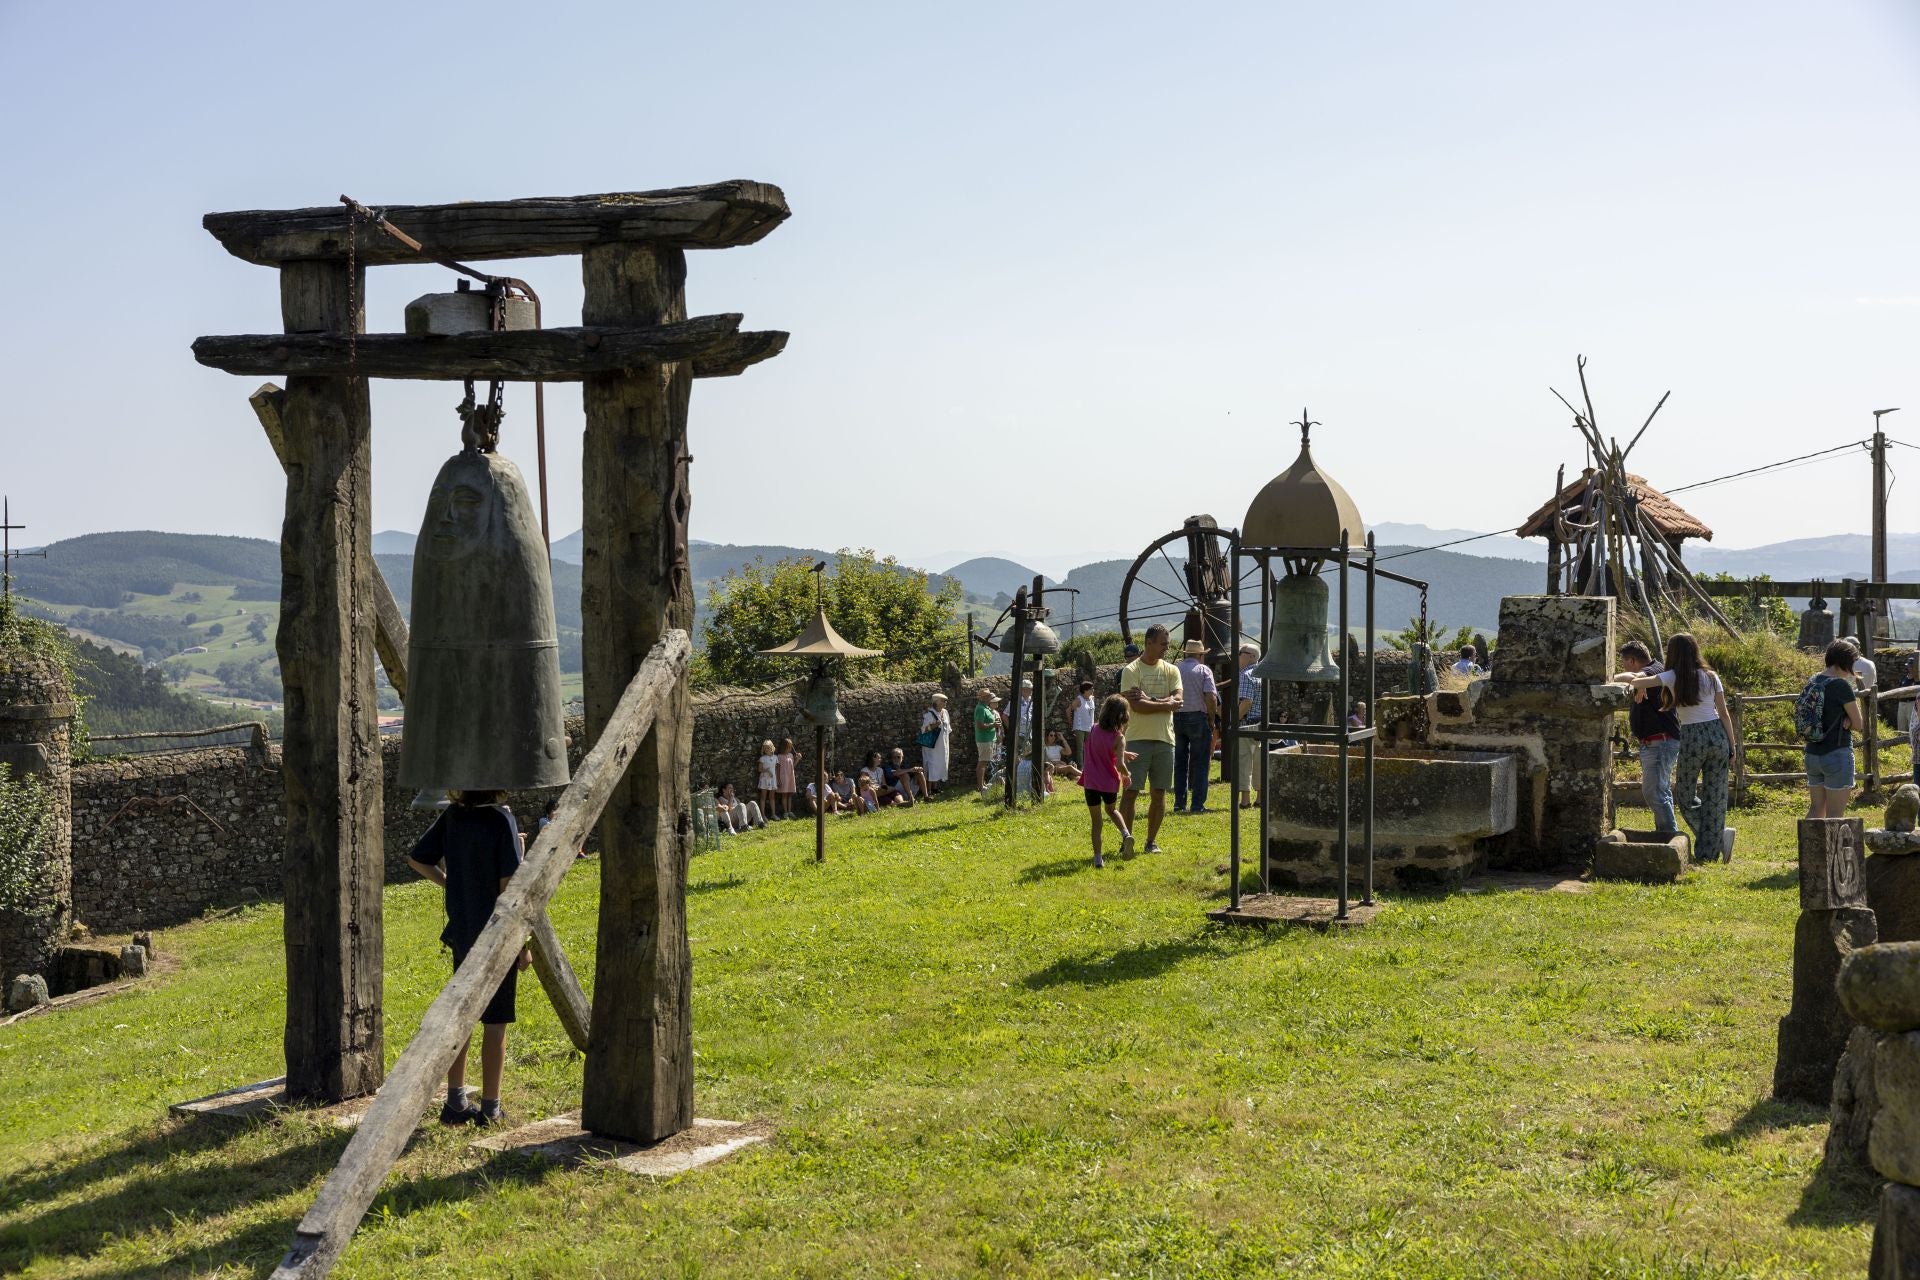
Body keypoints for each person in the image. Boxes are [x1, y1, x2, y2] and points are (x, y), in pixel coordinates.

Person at [406, 789, 531, 1127]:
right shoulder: (502, 820)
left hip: (462, 933)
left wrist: (451, 884)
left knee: (462, 1019)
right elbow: (508, 888)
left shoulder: (453, 817)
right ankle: (491, 1108)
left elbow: (418, 860)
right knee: (495, 1023)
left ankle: (455, 1102)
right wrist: (521, 943)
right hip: (495, 935)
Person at [1617, 632, 1732, 861]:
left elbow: (1634, 680)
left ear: (1673, 653)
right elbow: (1725, 714)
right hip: (1717, 734)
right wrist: (1733, 746)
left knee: (1685, 796)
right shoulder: (1711, 675)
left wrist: (1632, 682)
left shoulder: (1672, 676)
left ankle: (1714, 839)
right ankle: (1714, 842)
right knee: (1716, 794)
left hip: (1692, 736)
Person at [1119, 623, 1183, 854]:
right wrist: (1164, 702)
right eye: (1163, 643)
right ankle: (1127, 840)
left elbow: (1178, 702)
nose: (1167, 647)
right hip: (1136, 739)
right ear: (1149, 643)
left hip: (1165, 739)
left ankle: (1150, 841)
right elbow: (1136, 706)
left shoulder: (1172, 670)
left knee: (1159, 792)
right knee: (1130, 792)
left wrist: (1153, 700)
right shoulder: (1131, 670)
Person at [1613, 640, 1680, 835]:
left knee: (1653, 792)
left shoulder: (1654, 669)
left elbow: (1632, 677)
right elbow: (1636, 677)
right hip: (1657, 742)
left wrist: (1620, 678)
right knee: (1660, 790)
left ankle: (1668, 836)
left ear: (1632, 660)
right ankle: (1666, 833)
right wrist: (1637, 681)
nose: (1623, 666)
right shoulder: (1654, 670)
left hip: (1660, 741)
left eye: (1624, 662)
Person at [1802, 638, 1866, 819]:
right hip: (1836, 754)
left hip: (1812, 753)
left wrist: (1844, 716)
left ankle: (1810, 847)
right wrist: (1847, 718)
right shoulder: (1840, 685)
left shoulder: (1813, 680)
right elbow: (1859, 724)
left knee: (1816, 810)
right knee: (1834, 815)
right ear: (1846, 662)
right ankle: (1832, 849)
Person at [1080, 694, 1136, 868]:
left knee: (1096, 822)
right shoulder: (1119, 738)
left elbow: (1098, 747)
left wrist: (1121, 752)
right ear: (1124, 716)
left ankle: (1098, 860)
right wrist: (1127, 775)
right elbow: (1119, 764)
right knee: (1111, 810)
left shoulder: (1093, 728)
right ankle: (1126, 835)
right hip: (1108, 783)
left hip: (1091, 782)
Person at [1172, 638, 1220, 815]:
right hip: (1198, 718)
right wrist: (1211, 718)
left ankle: (1179, 803)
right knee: (1200, 763)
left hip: (1177, 717)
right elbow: (1211, 697)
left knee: (1180, 763)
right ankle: (1197, 804)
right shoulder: (1203, 670)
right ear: (1201, 655)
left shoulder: (1176, 669)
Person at [1233, 641, 1262, 809]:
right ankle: (1260, 798)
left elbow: (1246, 702)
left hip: (1245, 724)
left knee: (1244, 761)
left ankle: (1245, 800)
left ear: (1251, 657)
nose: (1237, 656)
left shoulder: (1245, 675)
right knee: (1259, 761)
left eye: (1240, 652)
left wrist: (1233, 720)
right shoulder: (1263, 674)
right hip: (1261, 724)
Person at [919, 693, 951, 794]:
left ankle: (935, 788)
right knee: (932, 765)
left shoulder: (945, 712)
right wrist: (934, 725)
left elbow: (948, 728)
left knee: (940, 764)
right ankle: (928, 790)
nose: (945, 702)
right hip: (932, 746)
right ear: (936, 702)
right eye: (943, 700)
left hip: (943, 744)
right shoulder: (929, 715)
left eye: (946, 701)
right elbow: (924, 730)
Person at [974, 689, 1000, 794]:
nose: (990, 697)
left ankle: (982, 784)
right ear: (983, 698)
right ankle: (980, 786)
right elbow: (979, 725)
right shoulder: (980, 708)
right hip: (984, 739)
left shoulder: (985, 708)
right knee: (982, 763)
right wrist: (993, 725)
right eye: (988, 696)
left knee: (984, 762)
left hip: (988, 738)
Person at [1068, 679, 1098, 762]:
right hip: (1080, 727)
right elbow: (1069, 710)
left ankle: (1089, 765)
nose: (1093, 690)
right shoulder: (1078, 700)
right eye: (1091, 689)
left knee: (1089, 747)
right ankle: (1081, 767)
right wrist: (1070, 723)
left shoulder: (1092, 698)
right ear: (1085, 690)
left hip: (1089, 727)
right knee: (1080, 748)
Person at [774, 738, 799, 819]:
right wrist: (778, 779)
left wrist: (797, 759)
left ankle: (789, 811)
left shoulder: (791, 755)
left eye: (791, 747)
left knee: (790, 795)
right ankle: (785, 812)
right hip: (783, 778)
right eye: (788, 747)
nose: (790, 749)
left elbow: (793, 767)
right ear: (784, 747)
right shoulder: (779, 756)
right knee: (784, 795)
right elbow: (777, 769)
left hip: (790, 777)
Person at [755, 740, 778, 822]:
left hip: (773, 780)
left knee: (772, 797)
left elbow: (776, 769)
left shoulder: (775, 757)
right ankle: (763, 815)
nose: (767, 750)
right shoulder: (762, 758)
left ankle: (773, 814)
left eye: (768, 748)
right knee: (763, 797)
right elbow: (759, 769)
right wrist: (767, 770)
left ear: (772, 748)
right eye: (765, 748)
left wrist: (777, 779)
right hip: (764, 779)